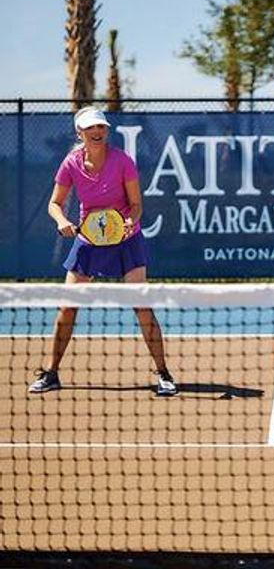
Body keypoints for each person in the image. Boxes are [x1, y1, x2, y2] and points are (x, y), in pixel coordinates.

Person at [28, 106, 177, 397]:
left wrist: (129, 222)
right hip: (88, 240)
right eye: (90, 128)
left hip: (126, 239)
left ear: (106, 131)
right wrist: (62, 221)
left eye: (101, 127)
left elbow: (136, 205)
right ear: (79, 132)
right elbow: (54, 203)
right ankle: (51, 372)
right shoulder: (71, 163)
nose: (97, 132)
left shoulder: (123, 161)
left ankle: (164, 373)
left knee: (141, 306)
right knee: (67, 306)